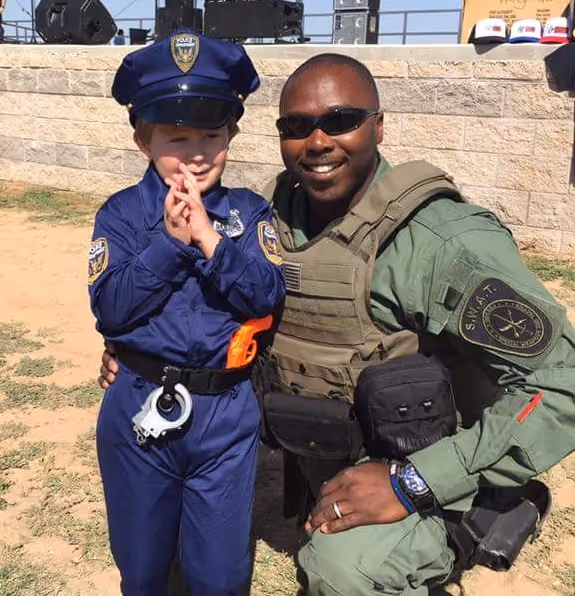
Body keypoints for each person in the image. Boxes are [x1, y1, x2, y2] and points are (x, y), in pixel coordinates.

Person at [99, 52, 575, 596]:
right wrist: (138, 355)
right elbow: (212, 297)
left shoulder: (443, 241)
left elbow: (564, 382)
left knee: (341, 569)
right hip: (323, 441)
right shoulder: (268, 214)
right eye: (297, 127)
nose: (318, 141)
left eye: (342, 120)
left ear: (378, 125)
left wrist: (414, 482)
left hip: (418, 455)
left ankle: (479, 514)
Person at [89, 29, 285, 596]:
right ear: (143, 140)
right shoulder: (122, 215)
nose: (197, 152)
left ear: (233, 132)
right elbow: (111, 308)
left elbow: (267, 294)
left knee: (219, 576)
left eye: (212, 133)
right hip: (139, 408)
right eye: (177, 136)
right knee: (143, 566)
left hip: (226, 413)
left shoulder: (249, 213)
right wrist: (170, 245)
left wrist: (209, 240)